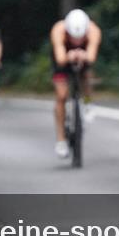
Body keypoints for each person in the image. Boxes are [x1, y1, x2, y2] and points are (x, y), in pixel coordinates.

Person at [50, 9, 102, 158]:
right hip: (63, 57)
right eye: (73, 38)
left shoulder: (94, 30)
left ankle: (87, 102)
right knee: (61, 96)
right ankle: (61, 140)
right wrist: (69, 56)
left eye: (80, 38)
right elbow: (60, 58)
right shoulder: (58, 29)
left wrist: (83, 55)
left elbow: (91, 57)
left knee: (85, 75)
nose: (77, 41)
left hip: (83, 56)